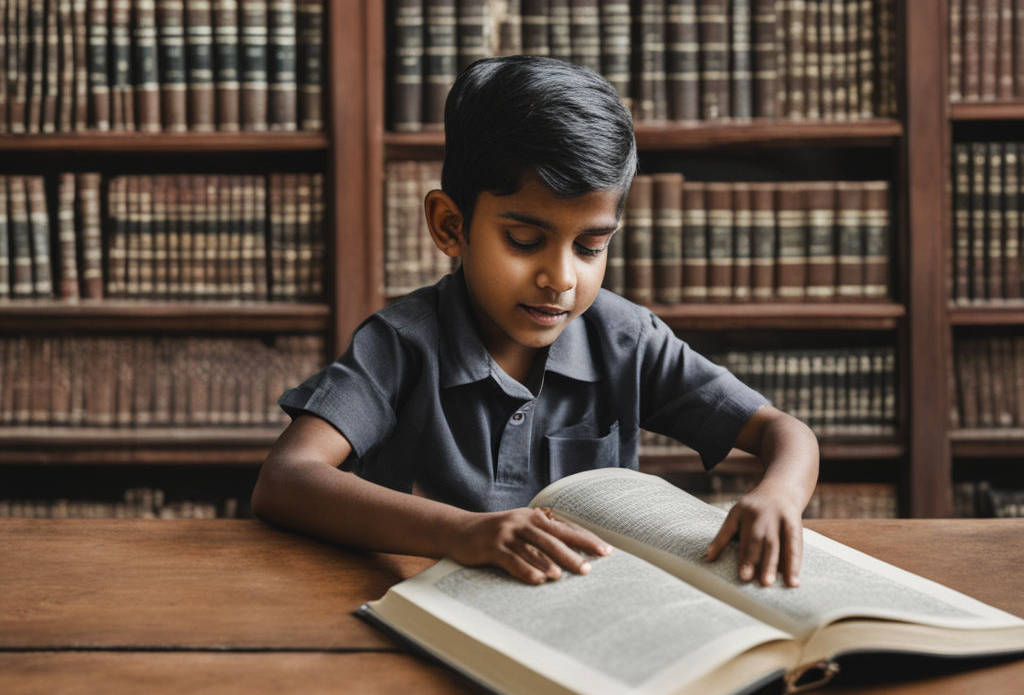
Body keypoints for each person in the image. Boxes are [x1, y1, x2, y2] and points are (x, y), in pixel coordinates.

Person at [252, 55, 819, 588]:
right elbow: (287, 479)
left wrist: (780, 494)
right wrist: (463, 531)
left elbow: (784, 432)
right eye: (525, 241)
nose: (561, 278)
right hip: (428, 606)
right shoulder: (402, 344)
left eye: (590, 247)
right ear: (451, 226)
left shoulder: (627, 340)